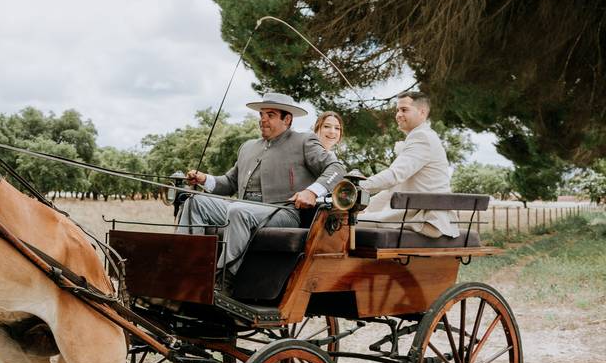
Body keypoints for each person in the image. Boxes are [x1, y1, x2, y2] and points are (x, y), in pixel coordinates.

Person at [177, 92, 345, 275]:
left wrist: (311, 192)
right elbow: (229, 183)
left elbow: (336, 168)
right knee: (194, 202)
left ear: (287, 119)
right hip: (244, 206)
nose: (263, 120)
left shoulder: (304, 141)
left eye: (270, 115)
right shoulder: (248, 147)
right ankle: (188, 269)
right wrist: (204, 179)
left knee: (239, 211)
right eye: (261, 115)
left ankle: (224, 277)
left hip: (283, 212)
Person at [358, 91, 458, 238]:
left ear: (422, 112)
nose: (398, 114)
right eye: (397, 110)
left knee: (345, 224)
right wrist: (364, 206)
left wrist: (356, 187)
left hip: (426, 219)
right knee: (353, 218)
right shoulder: (421, 136)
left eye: (404, 110)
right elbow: (393, 189)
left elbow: (394, 176)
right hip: (416, 212)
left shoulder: (422, 137)